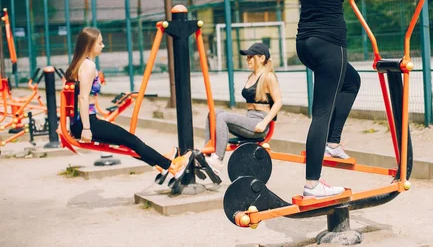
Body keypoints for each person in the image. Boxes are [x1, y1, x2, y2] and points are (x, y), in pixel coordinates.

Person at [291, 0, 431, 198]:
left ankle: (332, 142)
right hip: (329, 44)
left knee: (351, 82)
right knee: (321, 112)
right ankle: (312, 184)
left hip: (305, 43)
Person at [65, 27, 192, 183]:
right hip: (88, 123)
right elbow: (82, 98)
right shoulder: (88, 66)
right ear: (89, 45)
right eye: (100, 43)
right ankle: (172, 165)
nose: (103, 46)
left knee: (128, 144)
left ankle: (162, 164)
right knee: (132, 141)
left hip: (84, 122)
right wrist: (85, 128)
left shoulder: (81, 64)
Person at [204, 43, 282, 177]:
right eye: (247, 57)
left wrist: (264, 123)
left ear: (262, 58)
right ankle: (207, 152)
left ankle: (218, 160)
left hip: (259, 123)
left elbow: (279, 102)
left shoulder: (268, 76)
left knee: (223, 117)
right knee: (213, 114)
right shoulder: (251, 76)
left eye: (251, 57)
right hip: (249, 119)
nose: (248, 60)